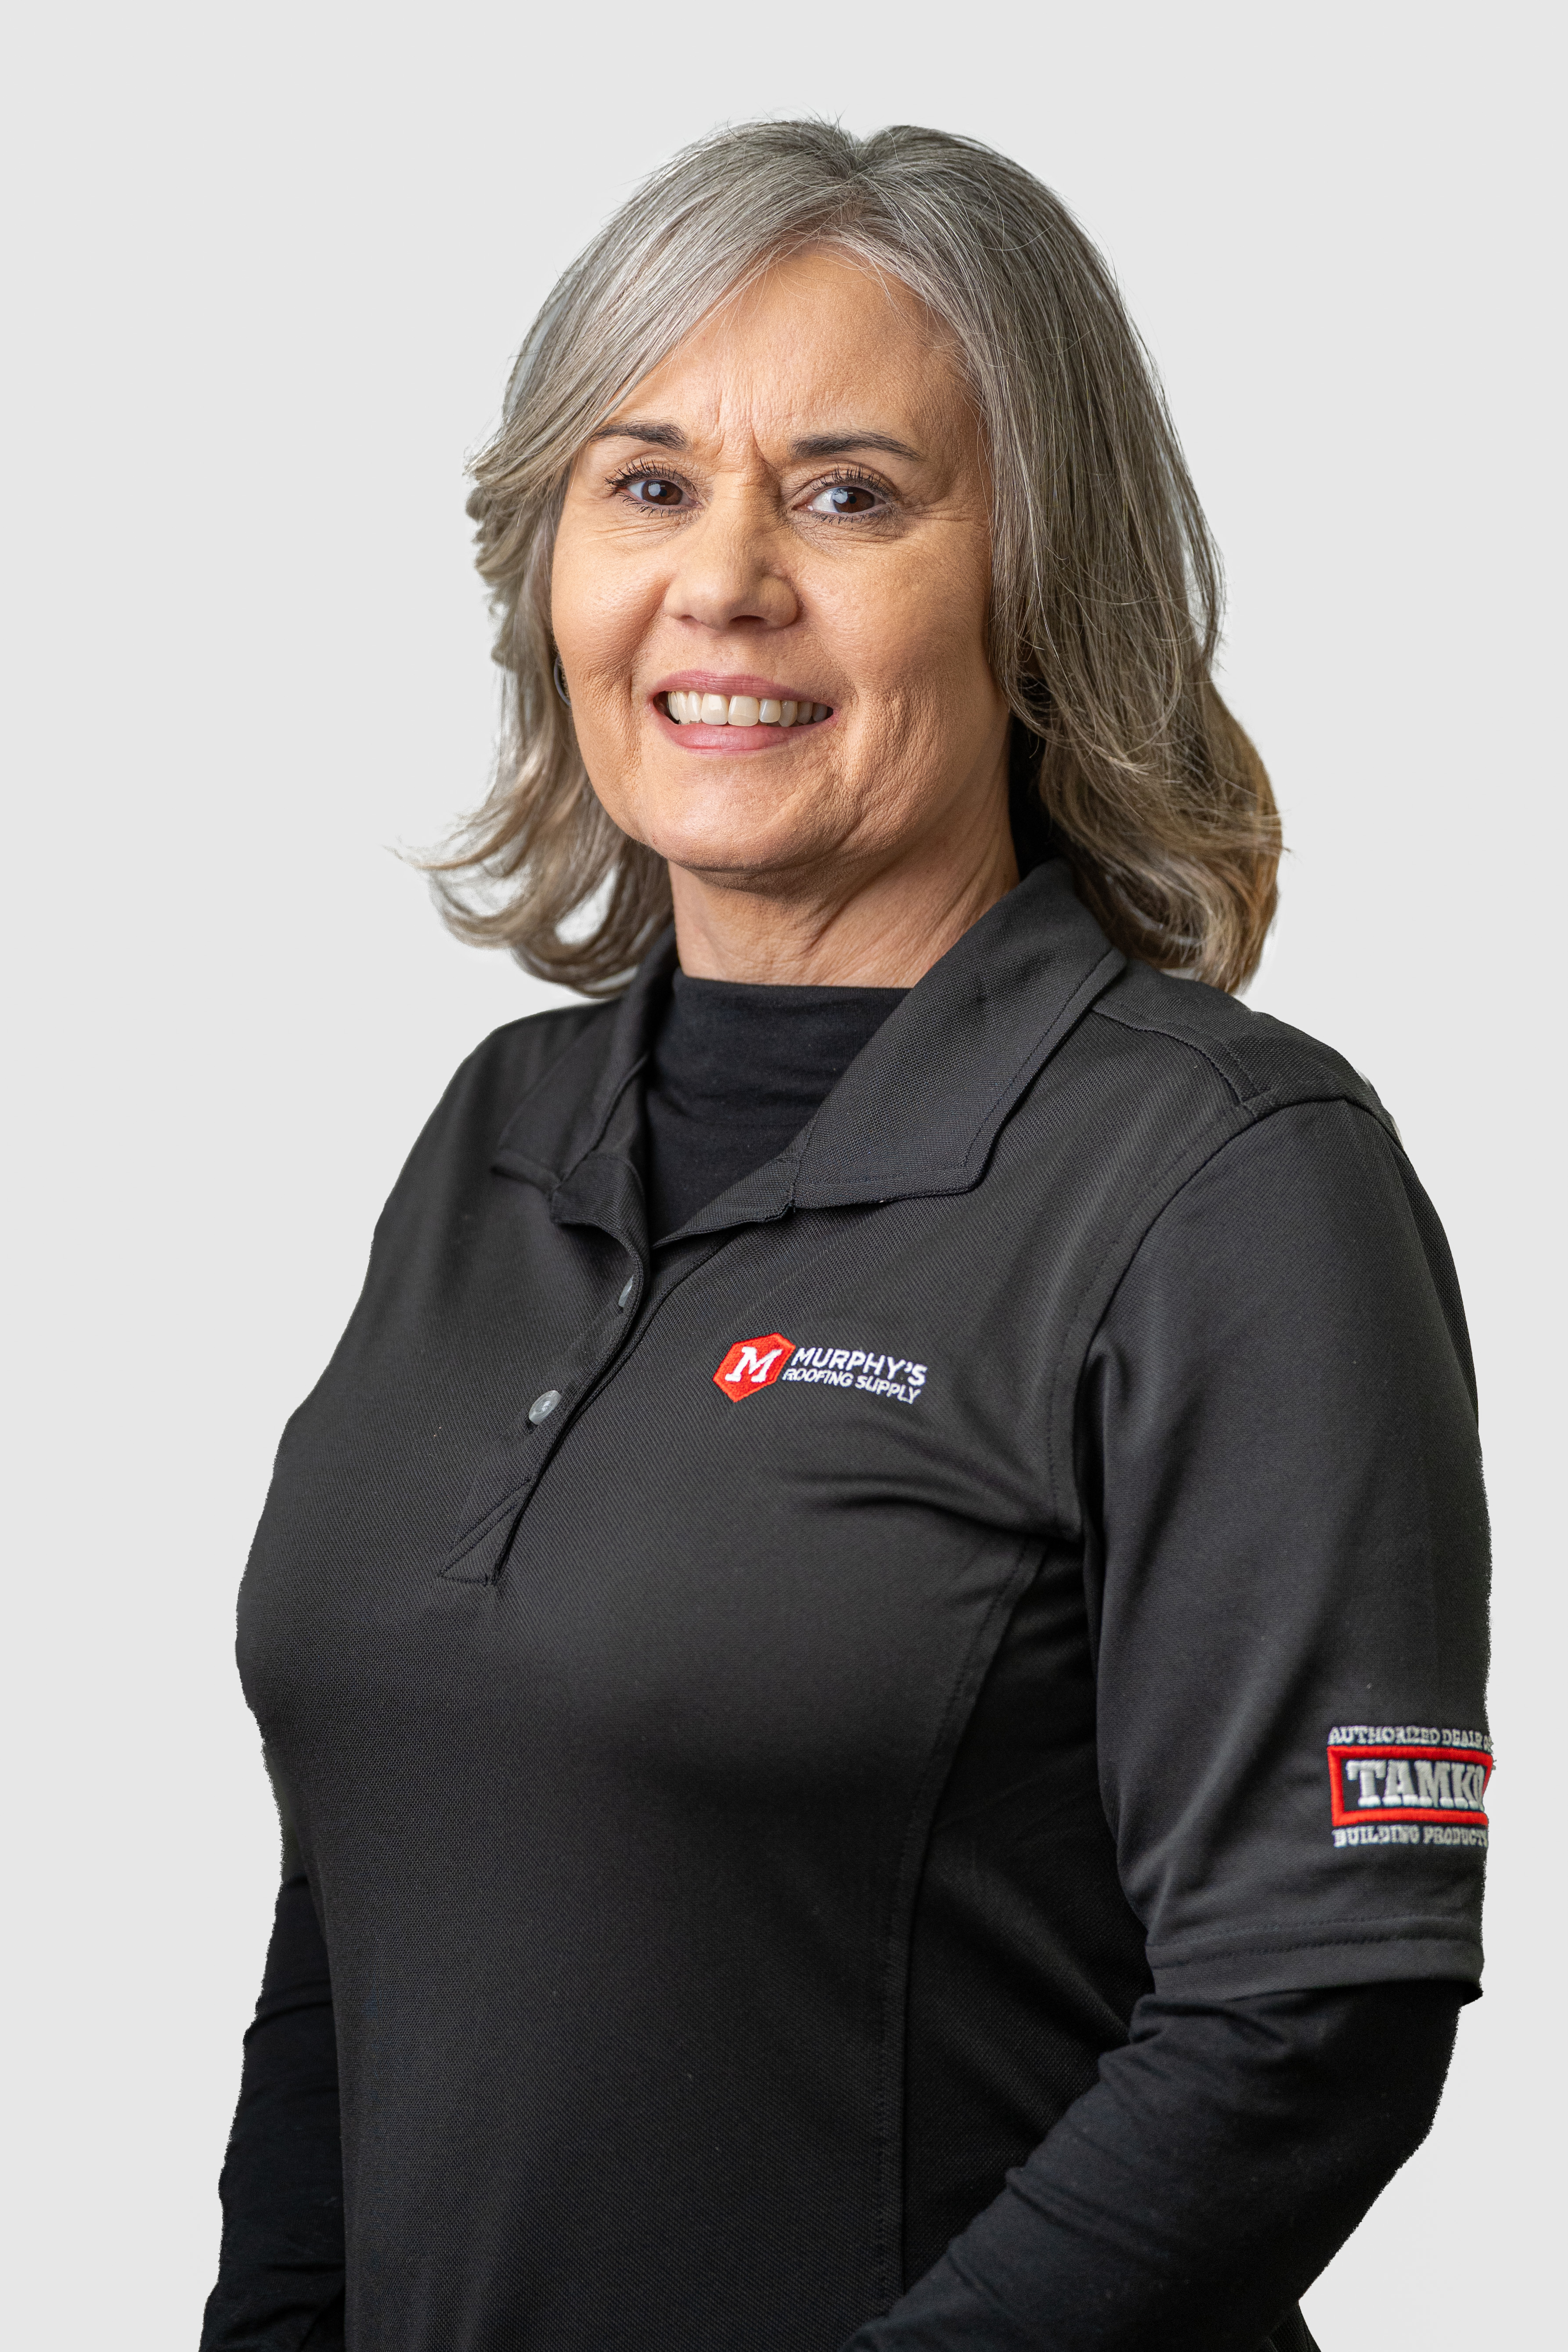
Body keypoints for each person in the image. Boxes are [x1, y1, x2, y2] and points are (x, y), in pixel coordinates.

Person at [202, 122, 1490, 2352]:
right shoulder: (492, 1141)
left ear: (1035, 581)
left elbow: (1306, 2014)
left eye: (846, 494)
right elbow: (365, 1901)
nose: (721, 580)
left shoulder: (1225, 1178)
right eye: (645, 483)